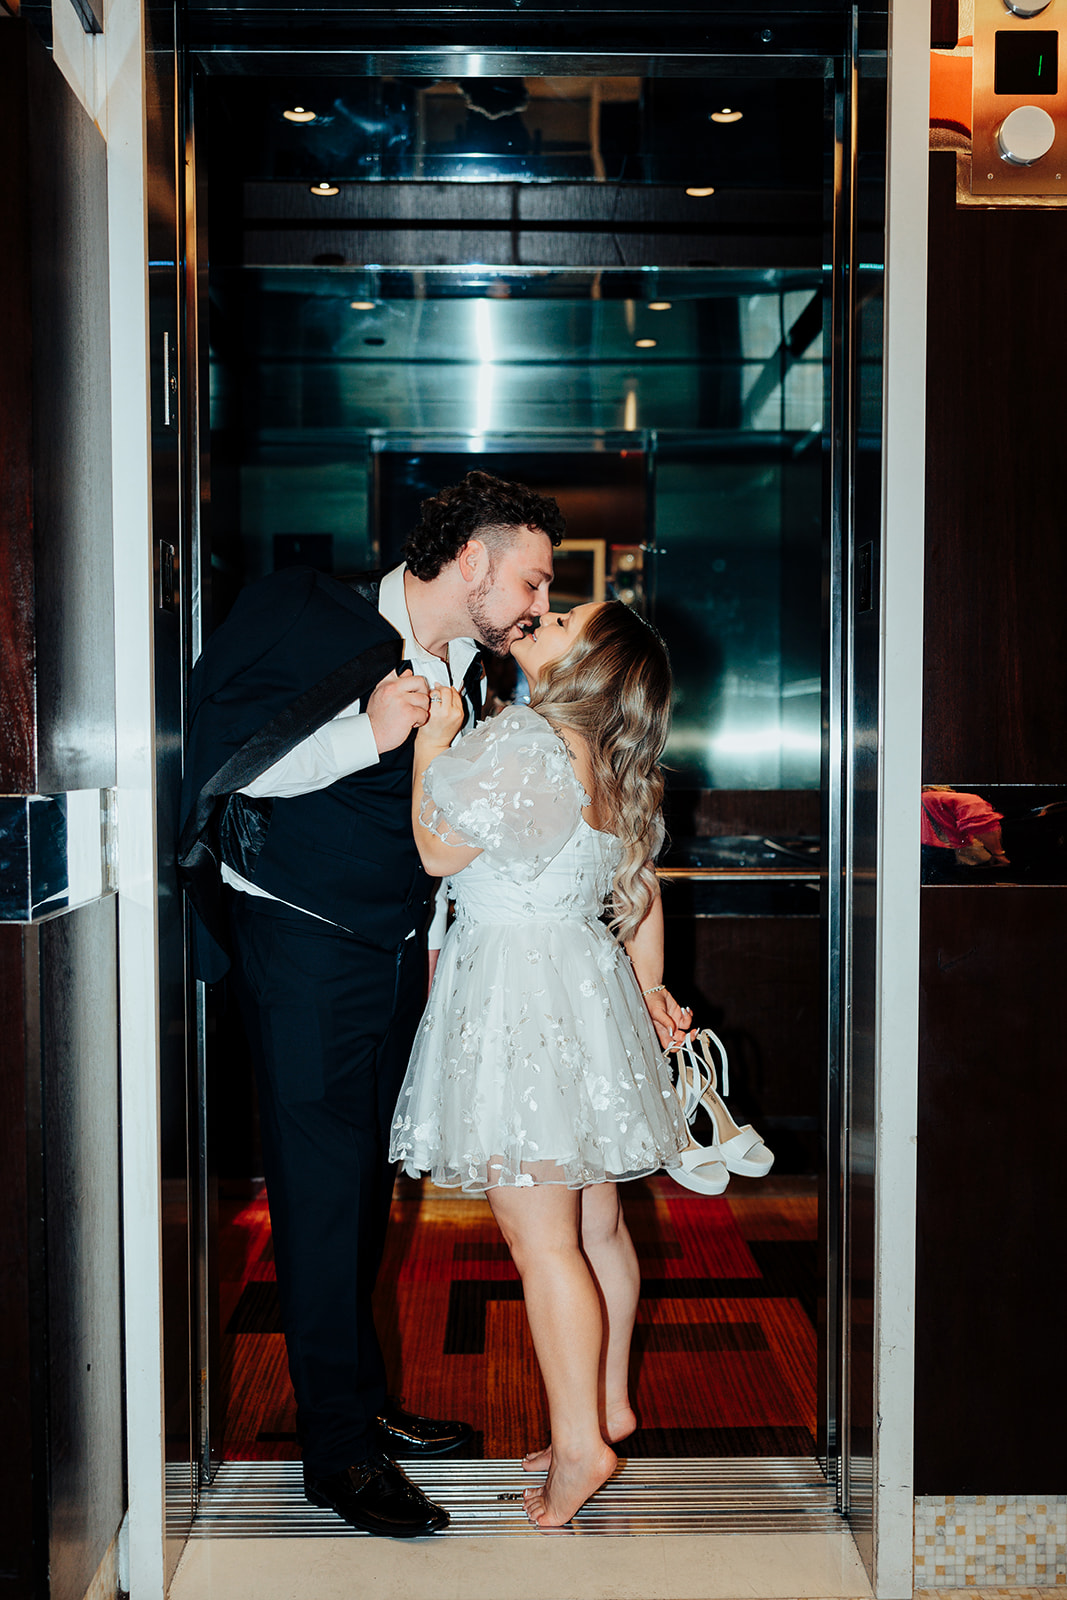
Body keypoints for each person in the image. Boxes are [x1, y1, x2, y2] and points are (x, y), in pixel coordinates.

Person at [178, 471, 565, 1537]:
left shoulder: (470, 677)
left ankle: (356, 1400)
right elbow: (230, 767)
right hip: (301, 947)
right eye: (529, 578)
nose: (536, 602)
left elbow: (437, 836)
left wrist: (434, 950)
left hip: (392, 954)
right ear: (474, 560)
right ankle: (337, 1456)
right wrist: (370, 734)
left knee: (361, 1190)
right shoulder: (314, 614)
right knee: (317, 1193)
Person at [390, 600, 693, 1528]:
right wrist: (647, 989)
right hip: (582, 994)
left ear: (589, 665)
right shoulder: (611, 762)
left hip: (518, 998)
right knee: (596, 1226)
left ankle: (579, 1447)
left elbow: (437, 850)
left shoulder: (523, 736)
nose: (540, 614)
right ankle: (603, 1404)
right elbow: (639, 900)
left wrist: (431, 741)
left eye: (562, 619)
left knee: (541, 1239)